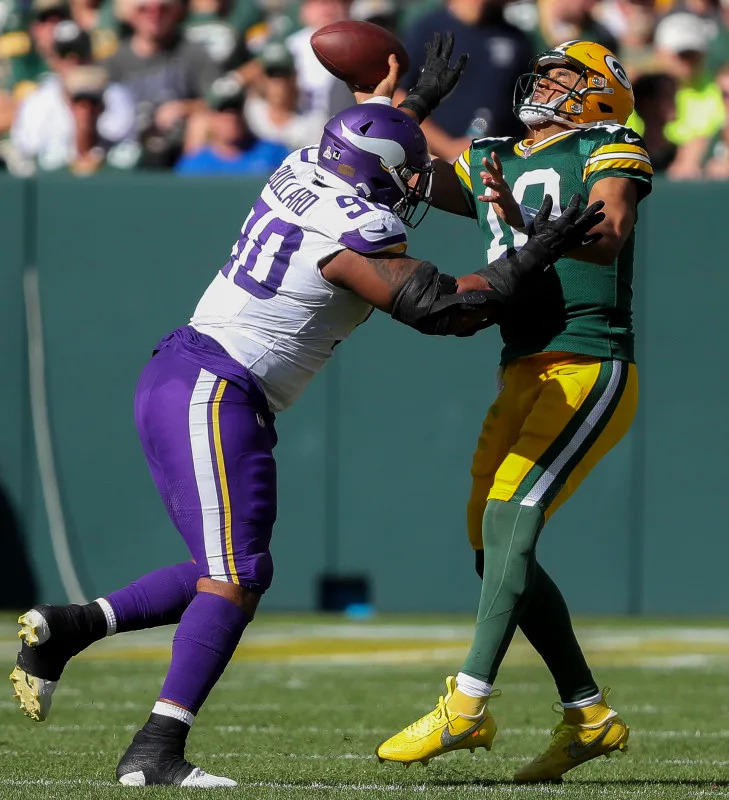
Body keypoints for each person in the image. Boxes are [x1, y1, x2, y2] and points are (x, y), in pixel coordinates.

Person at [9, 65, 603, 786]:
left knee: (218, 573)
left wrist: (410, 103)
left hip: (184, 374)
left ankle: (69, 630)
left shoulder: (301, 163)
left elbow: (361, 144)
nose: (414, 184)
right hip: (216, 388)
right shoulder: (356, 225)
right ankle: (154, 750)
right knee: (237, 577)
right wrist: (532, 255)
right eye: (407, 172)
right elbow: (442, 311)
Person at [377, 39, 653, 784]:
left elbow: (610, 233)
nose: (546, 83)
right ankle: (588, 715)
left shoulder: (608, 141)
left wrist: (539, 228)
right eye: (547, 72)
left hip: (586, 361)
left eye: (566, 76)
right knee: (490, 545)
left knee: (510, 516)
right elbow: (395, 165)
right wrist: (396, 104)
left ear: (601, 92)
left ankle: (466, 703)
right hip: (518, 368)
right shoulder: (494, 153)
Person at [396, 0, 531, 160]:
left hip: (502, 163)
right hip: (437, 164)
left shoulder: (516, 38)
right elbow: (400, 98)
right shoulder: (428, 28)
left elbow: (529, 103)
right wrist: (447, 147)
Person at [175, 74, 288, 175]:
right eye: (222, 109)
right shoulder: (194, 166)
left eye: (235, 108)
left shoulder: (274, 154)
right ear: (210, 116)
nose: (231, 116)